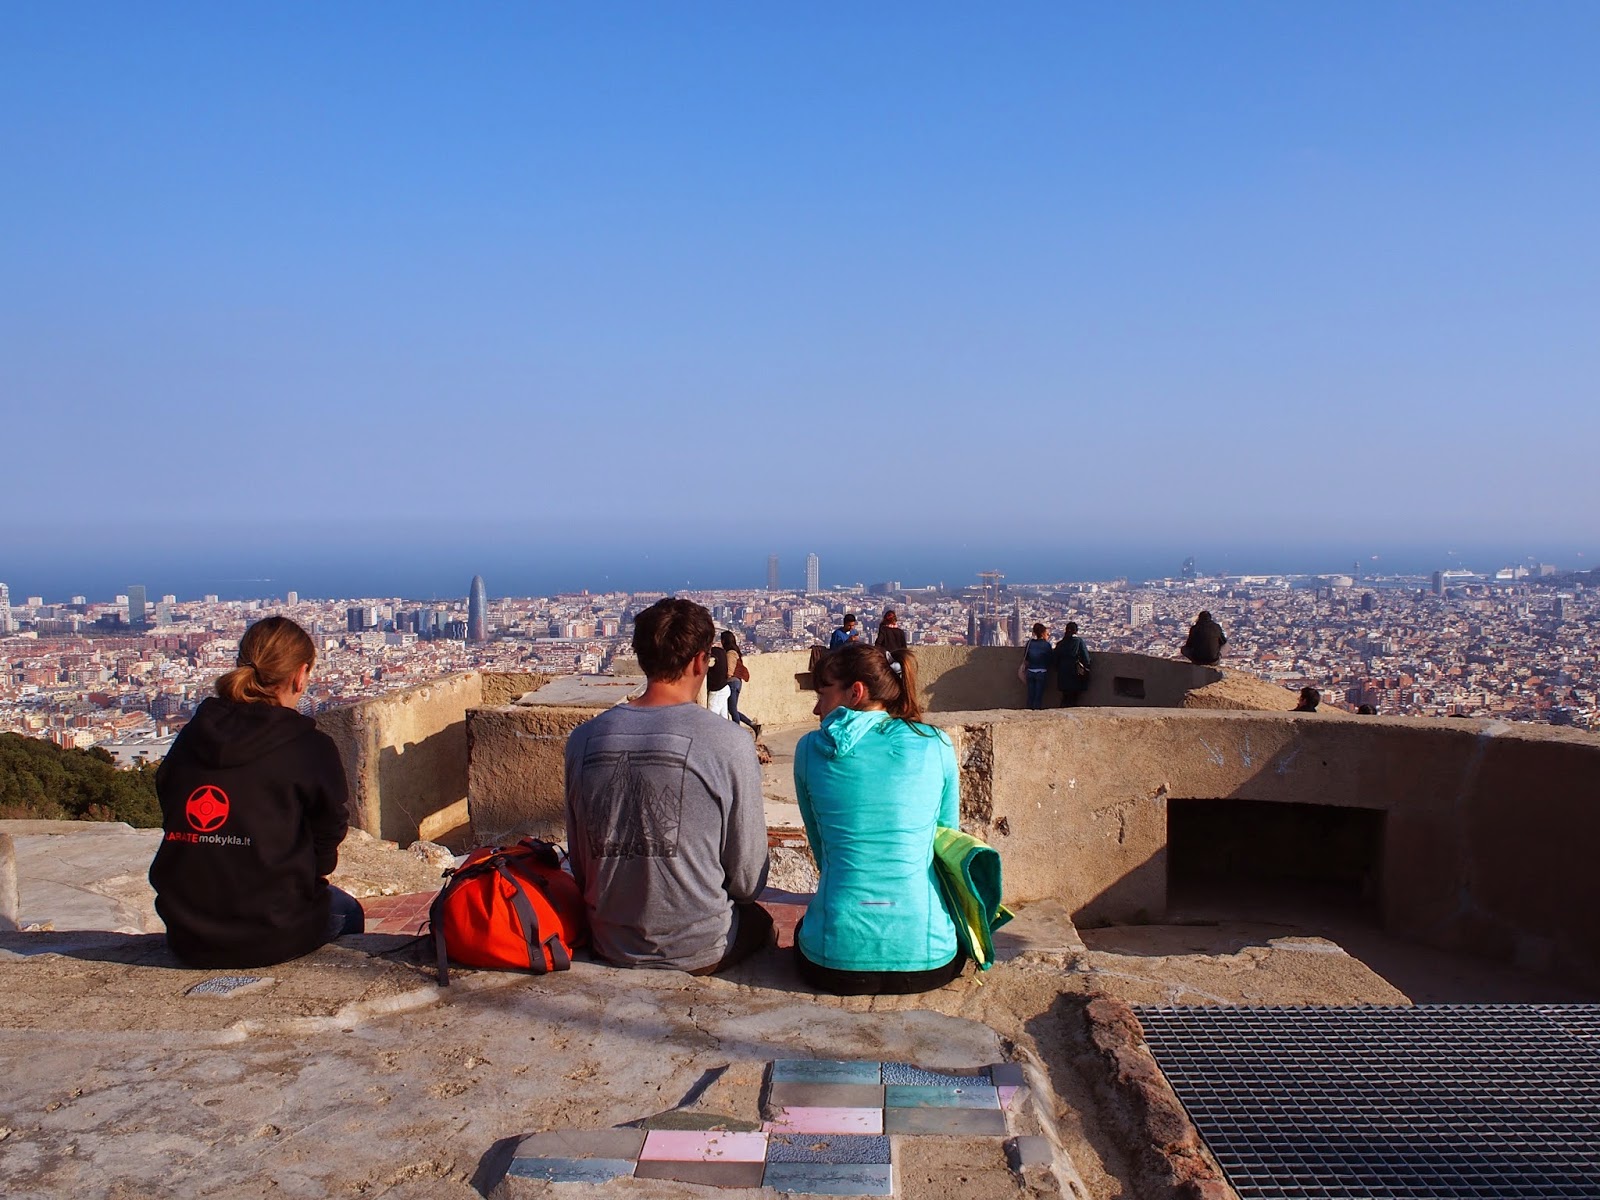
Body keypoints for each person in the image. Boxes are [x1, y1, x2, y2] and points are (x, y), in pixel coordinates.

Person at [564, 598, 771, 974]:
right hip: (698, 950)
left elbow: (581, 864)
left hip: (609, 940)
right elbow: (747, 881)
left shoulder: (583, 740)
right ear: (699, 661)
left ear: (642, 658)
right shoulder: (728, 742)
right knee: (762, 924)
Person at [148, 616, 363, 968]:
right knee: (348, 912)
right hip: (271, 931)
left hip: (186, 932)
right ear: (300, 675)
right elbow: (329, 830)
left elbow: (169, 800)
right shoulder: (308, 746)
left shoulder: (192, 736)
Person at [792, 645, 965, 996]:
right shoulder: (937, 744)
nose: (816, 708)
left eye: (823, 695)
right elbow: (947, 842)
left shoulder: (810, 748)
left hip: (834, 961)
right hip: (928, 959)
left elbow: (823, 849)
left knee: (804, 931)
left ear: (855, 692)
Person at [721, 630, 760, 736]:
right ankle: (752, 725)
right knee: (733, 709)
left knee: (732, 710)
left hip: (732, 682)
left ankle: (737, 734)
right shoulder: (735, 651)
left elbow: (730, 670)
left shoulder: (730, 653)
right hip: (736, 682)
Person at [1055, 621, 1092, 707]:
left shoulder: (1061, 643)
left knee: (1065, 697)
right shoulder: (1078, 642)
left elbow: (1055, 659)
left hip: (1062, 674)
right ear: (1076, 631)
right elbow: (1086, 657)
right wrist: (1087, 666)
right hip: (1075, 673)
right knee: (1073, 698)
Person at [1021, 622, 1053, 710]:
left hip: (1030, 671)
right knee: (1038, 696)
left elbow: (1026, 657)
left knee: (1030, 695)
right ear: (1043, 633)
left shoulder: (1030, 643)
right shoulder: (1046, 645)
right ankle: (1035, 713)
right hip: (1041, 672)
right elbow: (1050, 659)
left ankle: (1028, 712)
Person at [704, 633, 731, 718]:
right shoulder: (720, 652)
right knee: (724, 718)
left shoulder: (710, 655)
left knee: (712, 718)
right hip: (725, 687)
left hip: (717, 691)